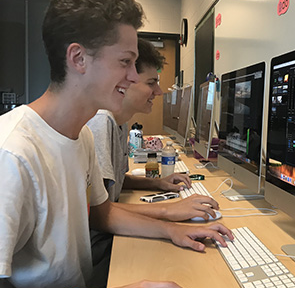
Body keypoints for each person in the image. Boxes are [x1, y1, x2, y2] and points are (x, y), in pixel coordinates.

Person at [0, 0, 233, 288]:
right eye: (125, 62)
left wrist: (171, 230)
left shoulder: (80, 134)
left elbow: (102, 212)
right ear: (78, 58)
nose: (135, 78)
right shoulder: (12, 153)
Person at [87, 38, 220, 222]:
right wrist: (169, 210)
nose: (158, 92)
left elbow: (114, 182)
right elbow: (97, 212)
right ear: (126, 81)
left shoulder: (120, 122)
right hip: (102, 241)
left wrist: (158, 183)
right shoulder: (101, 122)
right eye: (151, 83)